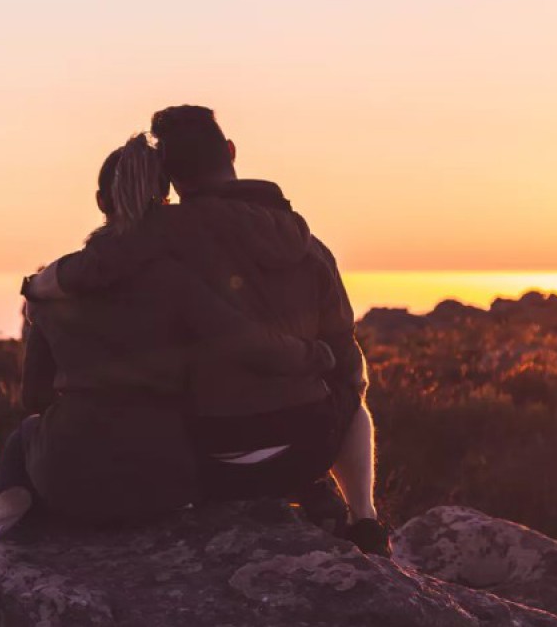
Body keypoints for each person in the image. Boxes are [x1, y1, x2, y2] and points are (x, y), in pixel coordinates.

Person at [0, 135, 336, 546]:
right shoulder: (178, 281)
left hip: (69, 470)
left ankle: (3, 502)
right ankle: (5, 501)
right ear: (166, 200)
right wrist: (315, 355)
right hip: (165, 476)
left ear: (100, 201)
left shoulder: (56, 288)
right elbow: (243, 342)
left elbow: (34, 397)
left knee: (26, 435)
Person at [25, 105, 390, 555]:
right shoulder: (308, 245)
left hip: (207, 462)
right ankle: (364, 517)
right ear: (231, 151)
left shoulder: (164, 233)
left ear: (169, 177)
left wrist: (37, 285)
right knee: (352, 383)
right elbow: (343, 358)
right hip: (306, 450)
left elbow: (96, 264)